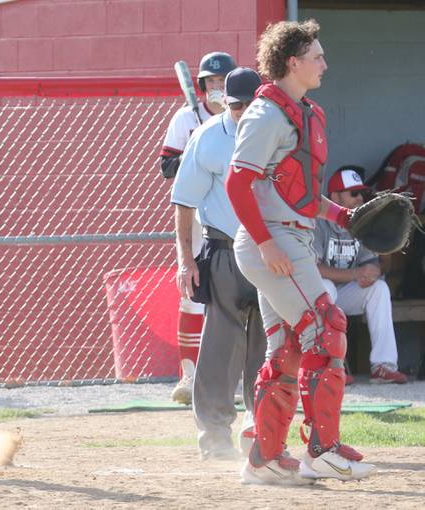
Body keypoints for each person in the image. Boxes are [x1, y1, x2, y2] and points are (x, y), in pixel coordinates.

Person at [225, 19, 377, 483]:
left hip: (291, 237)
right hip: (269, 241)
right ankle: (322, 450)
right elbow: (237, 183)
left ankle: (266, 458)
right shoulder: (266, 113)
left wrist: (345, 218)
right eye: (316, 56)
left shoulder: (305, 111)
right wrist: (268, 243)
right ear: (292, 62)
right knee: (326, 326)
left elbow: (302, 196)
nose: (324, 64)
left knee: (289, 344)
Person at [171, 67, 266, 460]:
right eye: (236, 104)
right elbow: (184, 201)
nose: (243, 111)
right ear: (225, 103)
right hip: (224, 248)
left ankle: (262, 428)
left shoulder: (276, 133)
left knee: (269, 345)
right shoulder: (206, 137)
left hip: (269, 250)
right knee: (219, 345)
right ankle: (213, 434)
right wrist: (185, 261)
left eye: (250, 103)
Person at [159, 51, 237, 404]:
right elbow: (165, 167)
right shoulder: (186, 118)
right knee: (192, 293)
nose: (216, 88)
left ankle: (230, 378)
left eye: (222, 82)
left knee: (234, 297)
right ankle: (189, 375)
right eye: (211, 82)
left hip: (233, 217)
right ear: (202, 86)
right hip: (195, 215)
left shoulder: (245, 119)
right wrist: (194, 150)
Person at [314, 167, 407, 384]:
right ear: (334, 196)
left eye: (361, 193)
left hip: (344, 294)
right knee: (325, 286)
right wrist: (356, 273)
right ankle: (330, 366)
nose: (359, 199)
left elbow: (371, 263)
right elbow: (313, 269)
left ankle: (384, 366)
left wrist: (373, 272)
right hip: (317, 297)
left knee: (379, 289)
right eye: (353, 193)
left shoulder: (360, 222)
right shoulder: (318, 221)